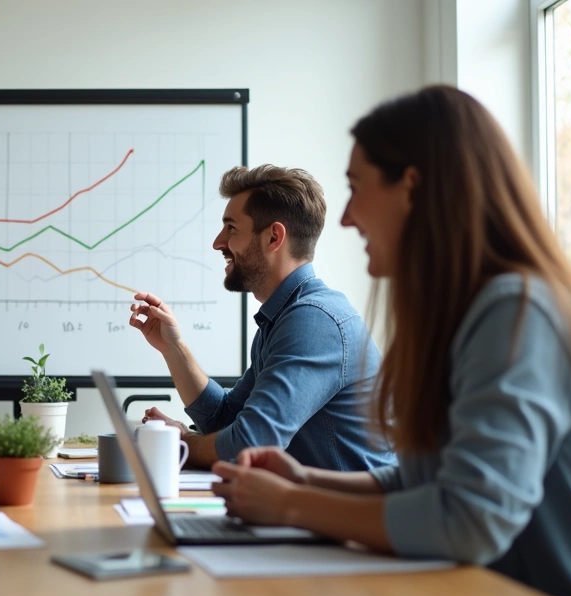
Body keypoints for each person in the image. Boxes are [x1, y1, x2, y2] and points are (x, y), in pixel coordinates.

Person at [210, 86, 571, 596]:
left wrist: (290, 505)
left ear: (412, 187)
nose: (347, 218)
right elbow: (424, 478)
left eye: (356, 189)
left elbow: (469, 519)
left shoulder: (517, 312)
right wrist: (304, 480)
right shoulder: (461, 313)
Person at [128, 165, 394, 471]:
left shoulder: (314, 321)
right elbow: (225, 419)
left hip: (347, 503)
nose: (218, 242)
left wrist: (181, 442)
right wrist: (172, 348)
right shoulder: (282, 317)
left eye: (231, 228)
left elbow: (250, 442)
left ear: (273, 237)